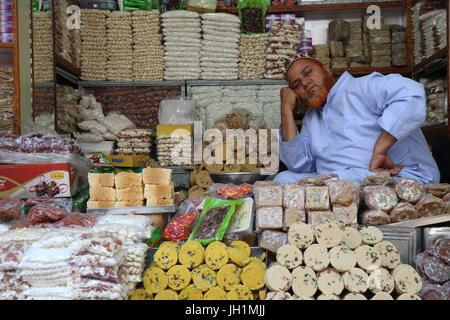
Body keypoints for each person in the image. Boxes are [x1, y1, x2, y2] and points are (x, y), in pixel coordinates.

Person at [274, 51, 440, 185]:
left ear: (326, 69)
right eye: (296, 85)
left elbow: (411, 95)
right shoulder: (312, 119)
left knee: (344, 178)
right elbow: (299, 164)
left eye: (308, 72)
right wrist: (285, 109)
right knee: (283, 180)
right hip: (340, 183)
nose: (304, 83)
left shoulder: (362, 86)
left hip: (399, 179)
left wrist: (380, 149)